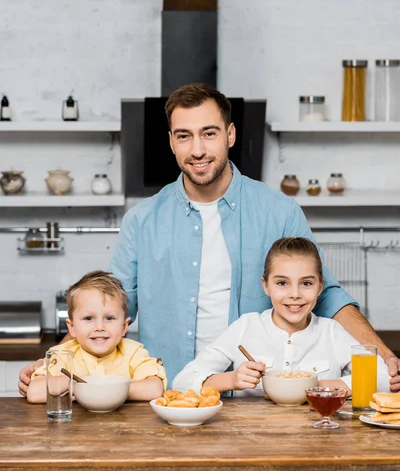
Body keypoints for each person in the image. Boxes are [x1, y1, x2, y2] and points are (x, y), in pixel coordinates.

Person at [19, 83, 400, 395]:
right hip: (170, 396)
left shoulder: (279, 211)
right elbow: (109, 308)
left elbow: (328, 294)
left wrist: (377, 351)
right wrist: (56, 363)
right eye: (184, 136)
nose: (197, 150)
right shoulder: (141, 221)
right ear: (171, 141)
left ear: (230, 135)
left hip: (258, 398)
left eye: (209, 133)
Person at [172, 238, 389, 396]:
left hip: (319, 439)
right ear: (265, 285)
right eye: (282, 283)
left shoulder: (331, 332)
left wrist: (316, 387)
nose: (295, 294)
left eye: (306, 283)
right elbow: (181, 382)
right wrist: (231, 379)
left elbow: (383, 378)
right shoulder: (245, 327)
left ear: (320, 286)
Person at [26, 271, 166, 403]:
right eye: (88, 318)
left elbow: (154, 389)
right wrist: (74, 384)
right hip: (75, 427)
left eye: (109, 318)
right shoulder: (62, 355)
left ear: (124, 327)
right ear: (72, 327)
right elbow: (34, 392)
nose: (99, 327)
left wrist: (109, 391)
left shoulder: (133, 352)